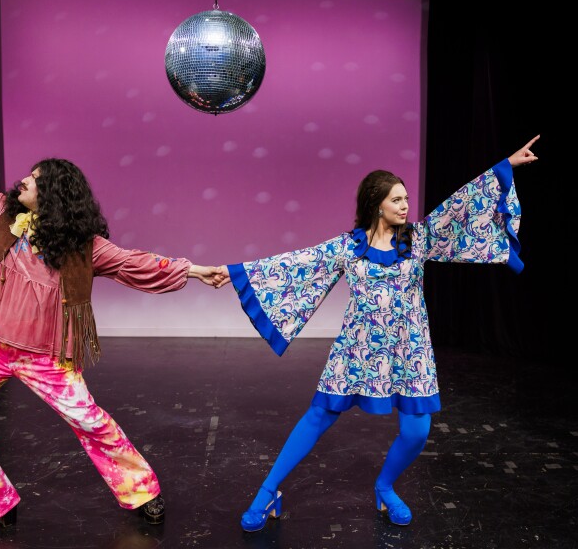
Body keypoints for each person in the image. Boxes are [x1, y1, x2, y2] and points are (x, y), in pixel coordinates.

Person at [0, 94, 220, 538]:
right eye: (27, 175)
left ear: (55, 196)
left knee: (89, 420)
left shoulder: (84, 248)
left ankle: (142, 490)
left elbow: (135, 262)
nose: (22, 181)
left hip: (47, 358)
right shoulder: (3, 217)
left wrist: (195, 270)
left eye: (34, 180)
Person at [213, 135, 540, 531]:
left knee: (417, 431)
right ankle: (267, 493)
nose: (405, 205)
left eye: (405, 199)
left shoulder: (419, 239)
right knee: (318, 416)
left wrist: (505, 165)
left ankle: (385, 487)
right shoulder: (348, 247)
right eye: (397, 200)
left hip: (409, 351)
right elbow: (295, 264)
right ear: (376, 204)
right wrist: (232, 272)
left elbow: (460, 208)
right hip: (358, 349)